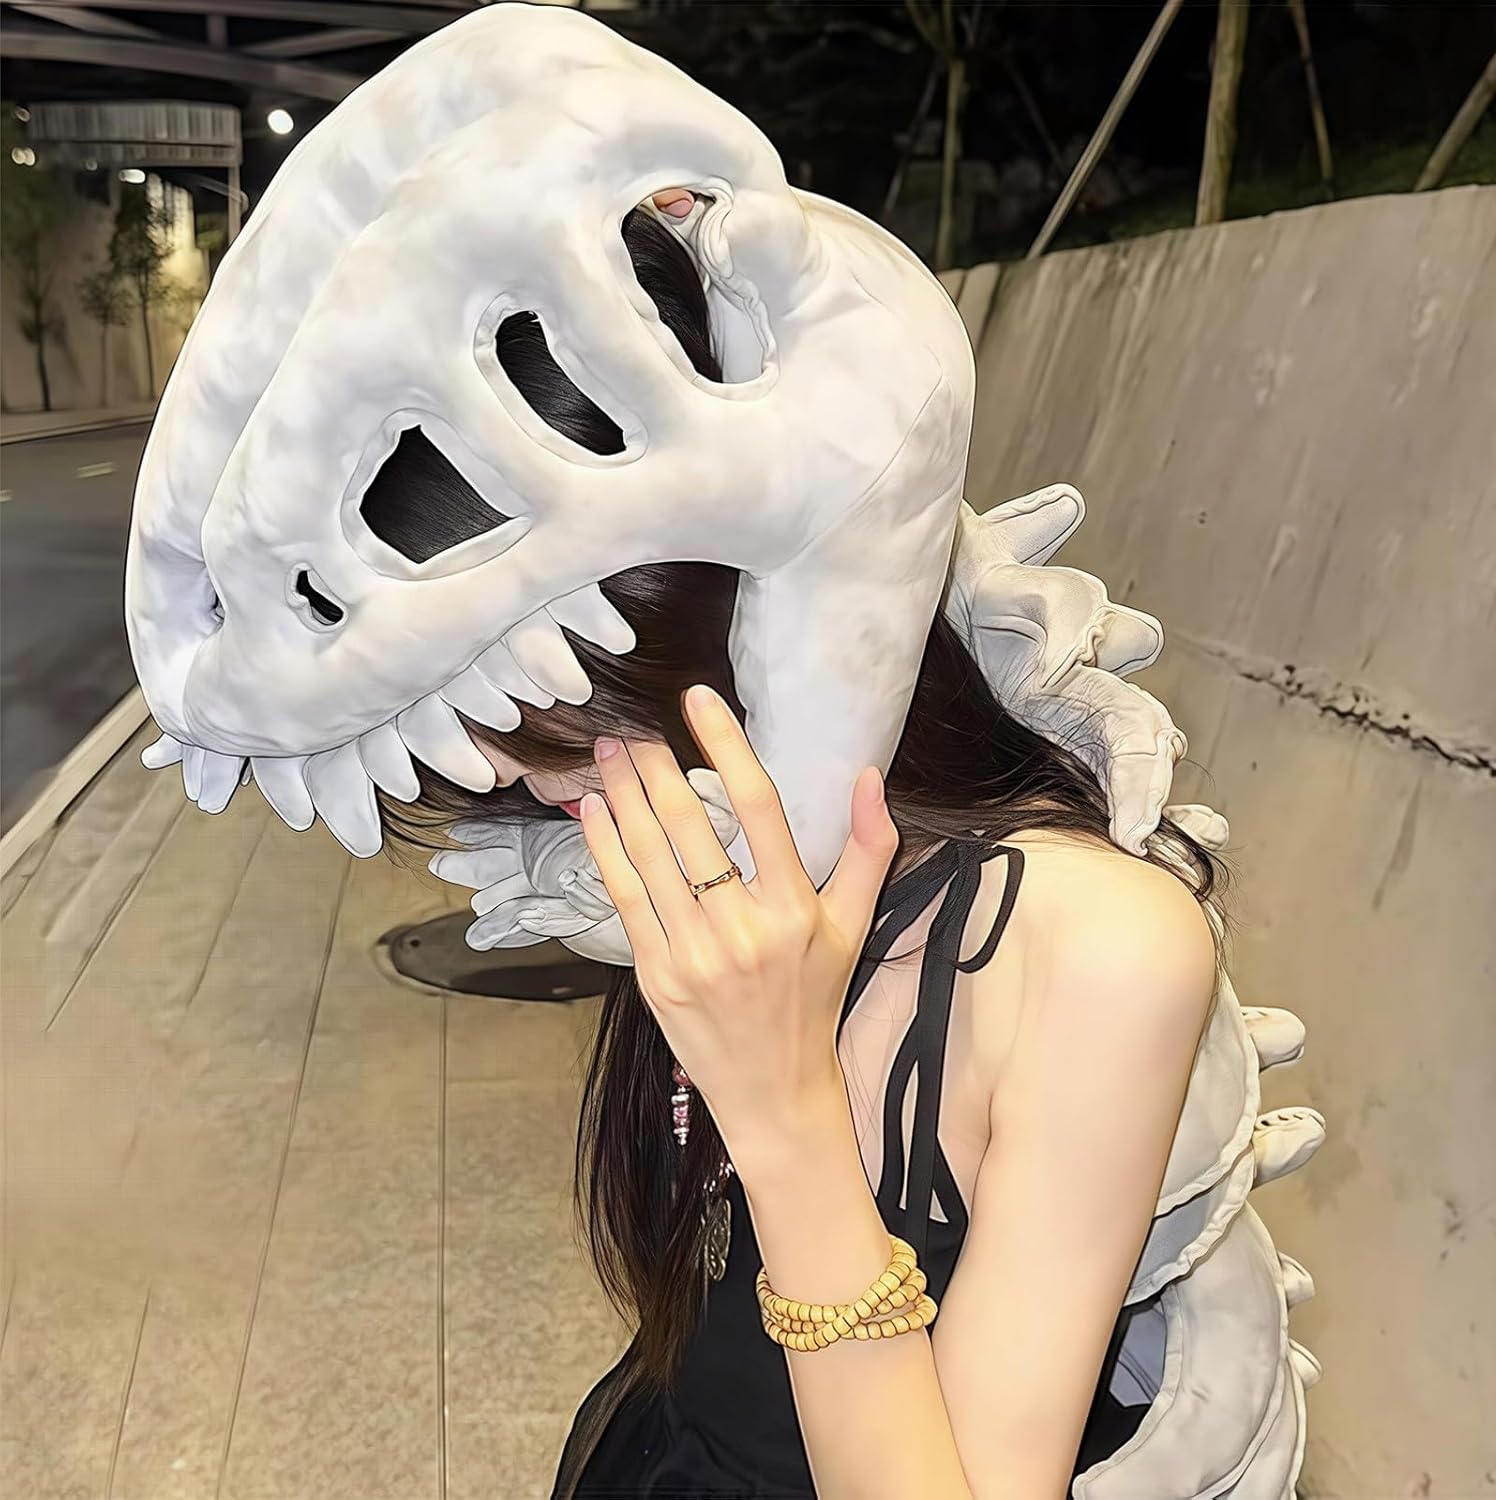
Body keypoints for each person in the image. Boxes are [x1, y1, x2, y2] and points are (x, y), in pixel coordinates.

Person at [122, 8, 1318, 1497]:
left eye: (554, 733)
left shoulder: (1098, 950)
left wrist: (784, 1105)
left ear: (745, 632)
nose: (534, 795)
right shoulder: (737, 874)